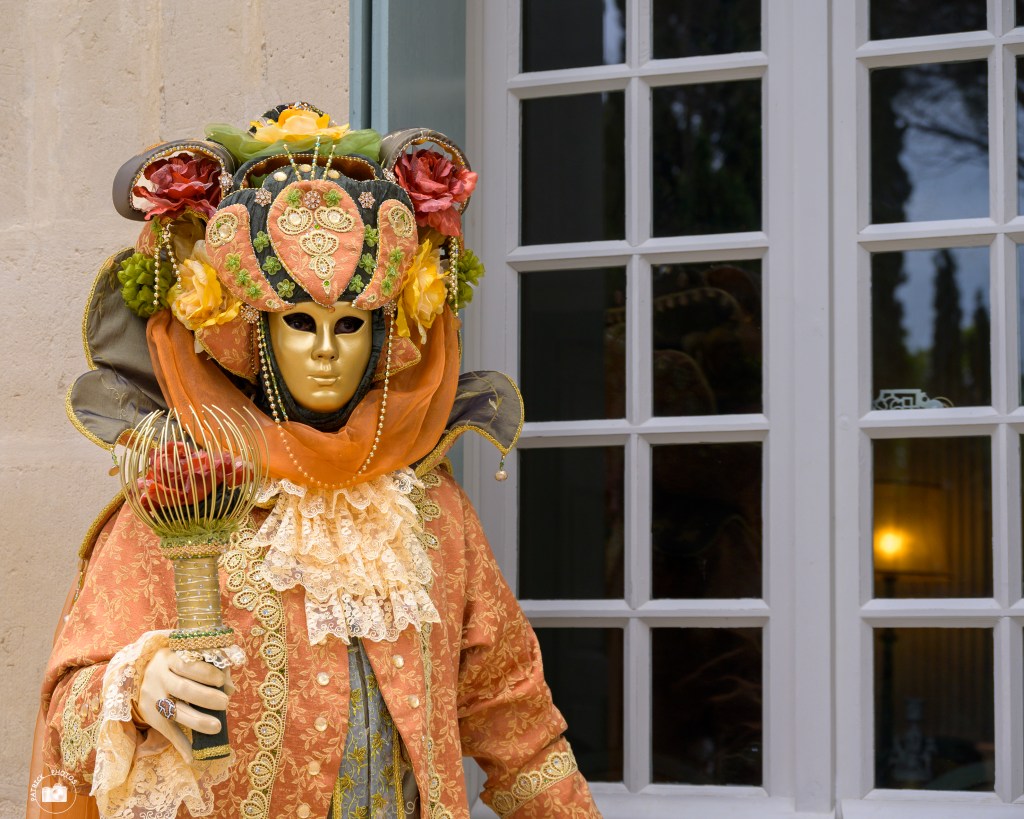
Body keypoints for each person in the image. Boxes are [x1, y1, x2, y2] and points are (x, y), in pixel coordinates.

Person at [27, 103, 601, 819]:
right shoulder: (189, 495)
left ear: (382, 333)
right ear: (255, 332)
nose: (326, 350)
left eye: (350, 324)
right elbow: (69, 712)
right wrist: (136, 688)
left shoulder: (431, 512)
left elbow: (516, 721)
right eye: (300, 322)